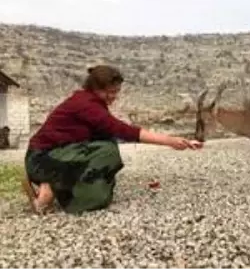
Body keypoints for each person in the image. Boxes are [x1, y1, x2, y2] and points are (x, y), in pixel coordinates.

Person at [22, 65, 203, 215]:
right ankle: (50, 187)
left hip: (54, 156)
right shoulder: (86, 104)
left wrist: (180, 141)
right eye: (109, 92)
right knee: (106, 151)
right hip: (40, 160)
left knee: (101, 194)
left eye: (116, 92)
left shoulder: (91, 103)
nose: (113, 97)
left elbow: (109, 132)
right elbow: (122, 130)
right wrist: (170, 141)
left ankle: (57, 187)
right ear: (95, 89)